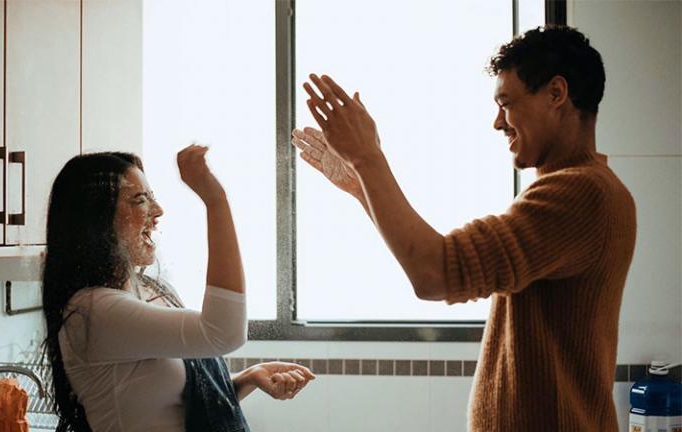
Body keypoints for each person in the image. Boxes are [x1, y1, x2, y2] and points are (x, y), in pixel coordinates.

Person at [292, 25, 636, 431]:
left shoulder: (579, 192)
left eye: (506, 103)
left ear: (556, 94)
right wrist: (359, 183)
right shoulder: (579, 189)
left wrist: (368, 158)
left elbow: (434, 273)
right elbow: (439, 262)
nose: (497, 123)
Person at [42, 146, 314, 432]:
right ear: (96, 220)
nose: (157, 211)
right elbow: (223, 333)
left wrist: (247, 379)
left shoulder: (149, 292)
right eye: (139, 200)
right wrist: (215, 200)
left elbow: (180, 410)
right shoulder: (94, 311)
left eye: (152, 198)